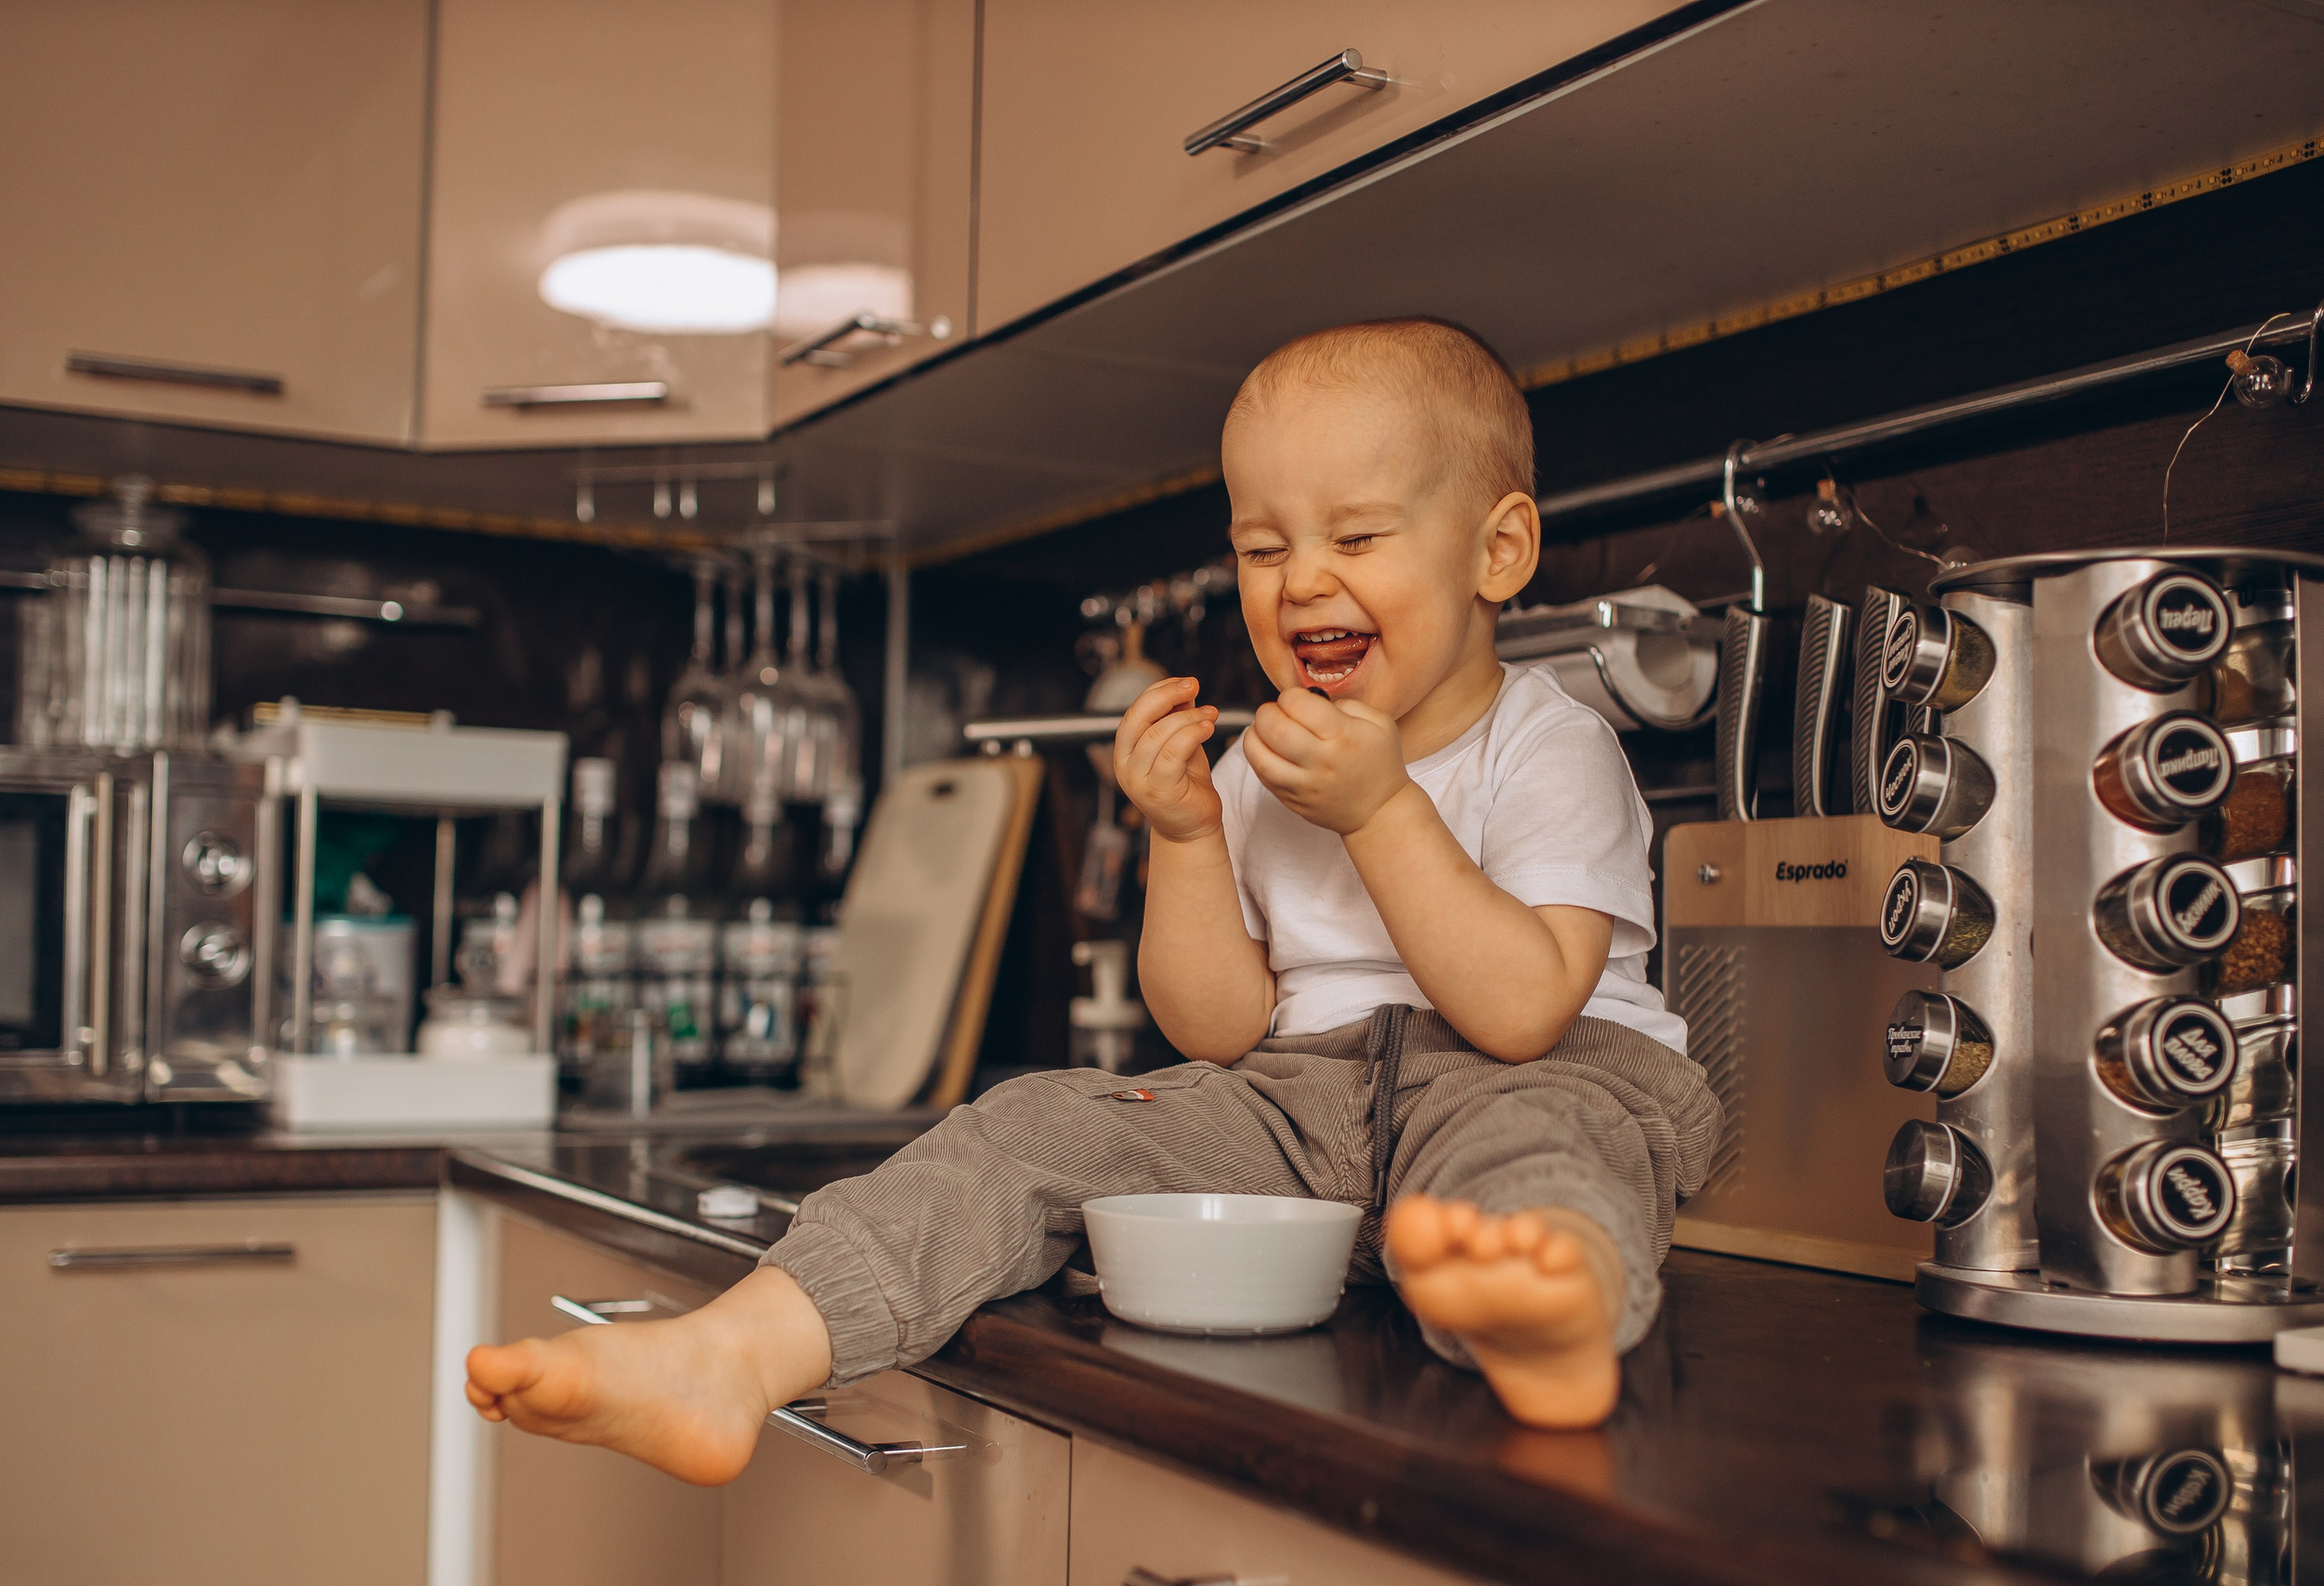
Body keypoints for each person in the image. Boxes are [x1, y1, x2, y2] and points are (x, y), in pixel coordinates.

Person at [463, 318, 1721, 1481]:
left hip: (1539, 1072)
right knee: (1032, 1127)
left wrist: (1387, 814)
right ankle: (731, 1355)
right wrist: (1182, 832)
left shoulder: (1548, 744)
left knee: (1538, 1162)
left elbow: (1520, 1012)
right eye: (1263, 547)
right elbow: (1214, 1031)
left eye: (1357, 537)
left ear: (1498, 551)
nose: (1300, 582)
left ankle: (1550, 1327)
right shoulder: (1256, 768)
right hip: (1302, 1103)